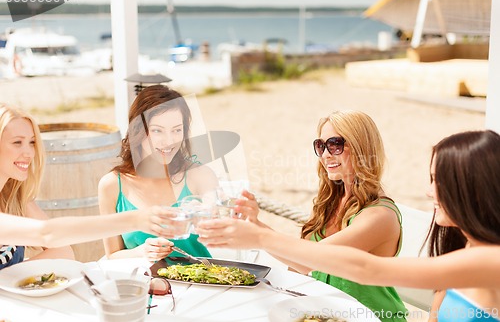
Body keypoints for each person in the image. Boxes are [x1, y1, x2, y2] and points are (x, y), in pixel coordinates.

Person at [198, 130, 500, 322]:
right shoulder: (465, 245)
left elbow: (366, 269)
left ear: (470, 189)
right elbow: (437, 308)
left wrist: (261, 237)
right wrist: (258, 230)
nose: (428, 191)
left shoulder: (490, 260)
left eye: (438, 181)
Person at [228, 110, 408, 321]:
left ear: (362, 148)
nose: (325, 154)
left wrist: (258, 234)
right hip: (328, 313)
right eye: (321, 146)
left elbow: (313, 260)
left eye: (335, 144)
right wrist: (255, 225)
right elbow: (299, 262)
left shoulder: (379, 216)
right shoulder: (332, 200)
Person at [0, 103, 176, 270]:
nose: (29, 152)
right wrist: (135, 220)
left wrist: (10, 275)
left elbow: (63, 251)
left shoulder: (13, 197)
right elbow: (48, 233)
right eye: (17, 142)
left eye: (32, 142)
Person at [99, 85, 218, 262]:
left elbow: (216, 212)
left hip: (202, 284)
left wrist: (210, 214)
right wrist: (141, 252)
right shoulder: (111, 185)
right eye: (157, 131)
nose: (169, 141)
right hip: (144, 285)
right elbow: (113, 255)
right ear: (138, 130)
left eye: (177, 130)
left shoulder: (199, 174)